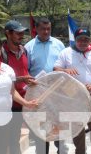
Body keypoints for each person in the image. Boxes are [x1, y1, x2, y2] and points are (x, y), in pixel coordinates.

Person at [54, 28, 91, 154]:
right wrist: (65, 70)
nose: (83, 42)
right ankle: (80, 151)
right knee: (77, 127)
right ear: (75, 40)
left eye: (86, 39)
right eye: (80, 39)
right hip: (73, 97)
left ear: (89, 40)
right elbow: (56, 69)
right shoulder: (66, 52)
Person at [25, 18, 67, 154]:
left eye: (48, 29)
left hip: (58, 93)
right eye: (43, 29)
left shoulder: (59, 44)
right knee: (42, 130)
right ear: (36, 29)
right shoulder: (29, 47)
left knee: (59, 128)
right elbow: (26, 70)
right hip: (39, 94)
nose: (46, 31)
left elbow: (65, 66)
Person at [1, 20, 37, 154]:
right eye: (18, 33)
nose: (22, 35)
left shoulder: (24, 50)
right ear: (8, 34)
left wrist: (30, 79)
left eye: (22, 32)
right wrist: (21, 79)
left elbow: (25, 71)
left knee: (38, 135)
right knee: (10, 139)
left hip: (27, 99)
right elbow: (0, 79)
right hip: (11, 104)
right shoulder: (0, 53)